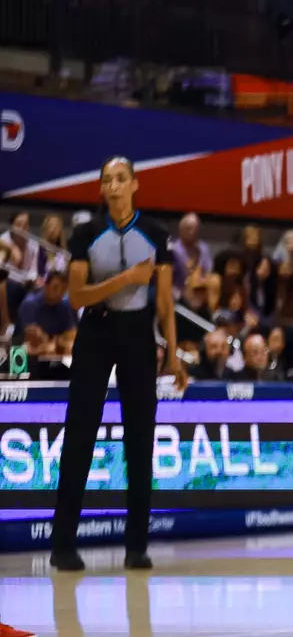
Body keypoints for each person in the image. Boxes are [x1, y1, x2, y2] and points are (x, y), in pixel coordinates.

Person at [51, 157, 189, 572]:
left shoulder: (156, 233)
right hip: (95, 333)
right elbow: (77, 297)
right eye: (107, 180)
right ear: (101, 190)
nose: (114, 186)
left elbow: (164, 301)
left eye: (120, 178)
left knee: (140, 440)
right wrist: (126, 279)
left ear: (135, 184)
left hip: (137, 336)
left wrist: (174, 351)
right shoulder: (86, 233)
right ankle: (63, 545)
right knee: (79, 436)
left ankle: (136, 547)